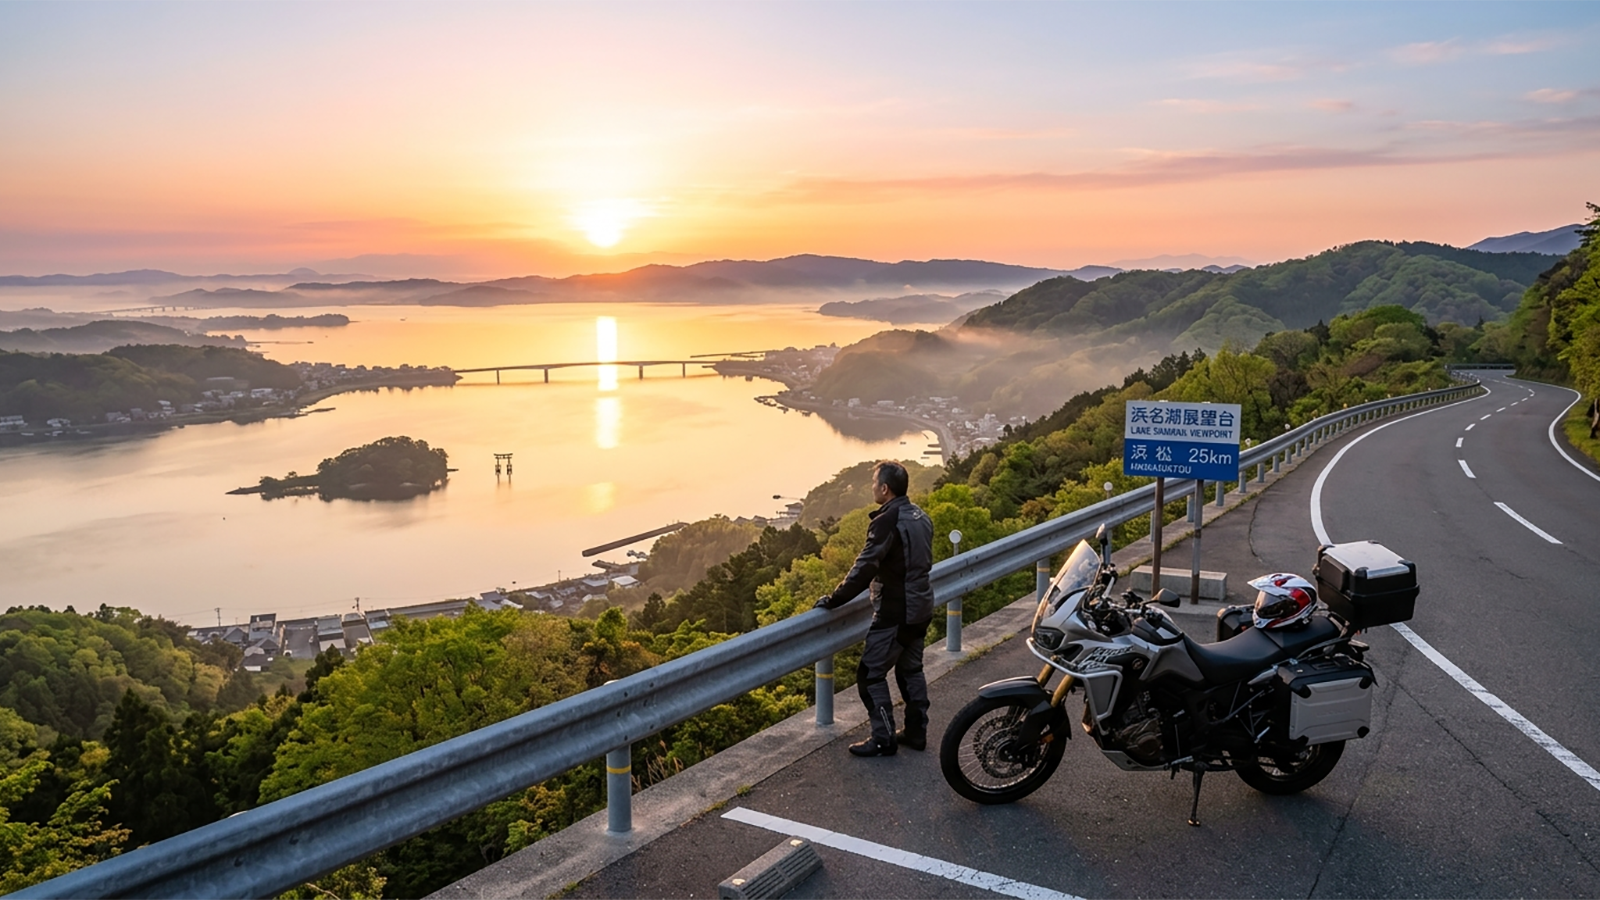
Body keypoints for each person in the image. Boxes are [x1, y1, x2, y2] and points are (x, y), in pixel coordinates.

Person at [814, 460, 935, 757]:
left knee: (870, 675)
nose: (872, 488)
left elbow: (865, 566)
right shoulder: (920, 516)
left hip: (896, 611)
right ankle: (916, 732)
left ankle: (883, 738)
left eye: (873, 483)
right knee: (910, 670)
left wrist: (835, 599)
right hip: (921, 606)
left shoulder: (887, 520)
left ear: (885, 488)